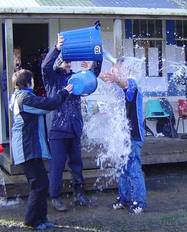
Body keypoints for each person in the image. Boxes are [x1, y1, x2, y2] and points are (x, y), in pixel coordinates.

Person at [41, 34, 102, 212]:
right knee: (58, 166)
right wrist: (57, 48)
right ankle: (55, 197)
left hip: (75, 128)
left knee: (76, 164)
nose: (68, 65)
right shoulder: (51, 79)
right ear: (58, 63)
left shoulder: (77, 77)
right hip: (57, 130)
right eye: (64, 62)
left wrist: (95, 58)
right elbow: (45, 66)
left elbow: (93, 76)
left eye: (69, 62)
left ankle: (79, 194)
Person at [10, 69, 72, 229]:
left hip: (30, 146)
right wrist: (65, 92)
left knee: (41, 183)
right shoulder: (25, 98)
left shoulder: (20, 96)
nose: (34, 82)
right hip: (26, 147)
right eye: (32, 79)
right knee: (39, 184)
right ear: (27, 82)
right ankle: (32, 220)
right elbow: (49, 105)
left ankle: (42, 219)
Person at [100, 57, 147, 214]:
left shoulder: (133, 83)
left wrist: (116, 79)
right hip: (122, 135)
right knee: (122, 168)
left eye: (117, 69)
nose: (113, 72)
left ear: (125, 70)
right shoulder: (118, 86)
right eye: (113, 69)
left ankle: (138, 202)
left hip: (134, 135)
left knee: (133, 168)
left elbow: (126, 85)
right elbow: (105, 78)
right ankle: (124, 198)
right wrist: (92, 70)